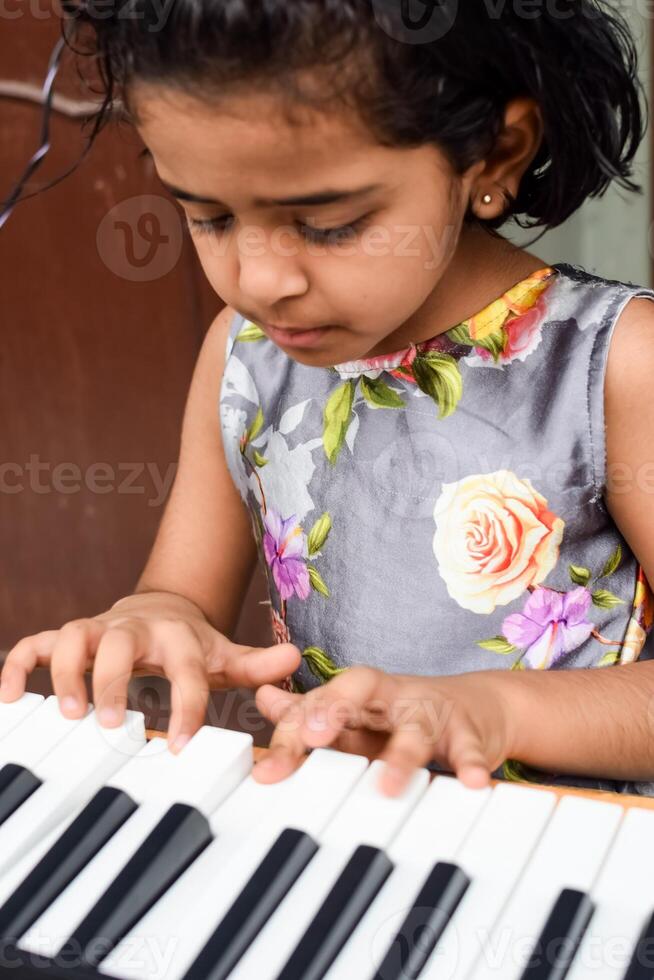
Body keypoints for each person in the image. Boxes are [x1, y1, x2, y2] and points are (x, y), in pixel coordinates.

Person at [3, 0, 654, 798]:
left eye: (330, 224)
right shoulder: (244, 355)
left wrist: (489, 709)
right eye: (208, 216)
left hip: (572, 865)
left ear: (494, 155)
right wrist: (154, 620)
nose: (261, 280)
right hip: (347, 853)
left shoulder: (615, 366)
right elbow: (177, 593)